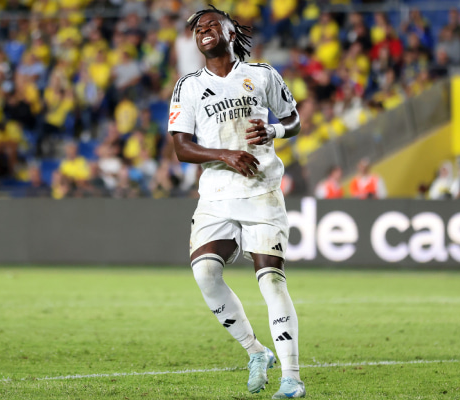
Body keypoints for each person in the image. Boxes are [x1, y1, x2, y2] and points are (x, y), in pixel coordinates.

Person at [169, 6, 305, 399]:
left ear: (231, 33)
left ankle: (292, 378)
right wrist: (224, 155)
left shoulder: (262, 75)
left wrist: (275, 130)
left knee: (271, 280)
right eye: (198, 27)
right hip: (216, 196)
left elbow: (293, 119)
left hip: (261, 191)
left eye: (213, 24)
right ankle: (256, 351)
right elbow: (182, 148)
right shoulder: (188, 86)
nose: (204, 29)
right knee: (205, 274)